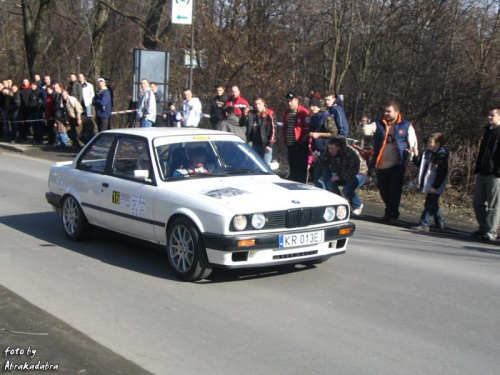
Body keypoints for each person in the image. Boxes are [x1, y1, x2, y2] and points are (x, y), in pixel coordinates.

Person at [362, 101, 418, 225]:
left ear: (397, 112)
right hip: (381, 163)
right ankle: (389, 212)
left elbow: (413, 142)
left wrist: (412, 155)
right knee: (383, 190)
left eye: (389, 111)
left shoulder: (405, 125)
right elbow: (367, 132)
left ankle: (393, 215)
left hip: (397, 163)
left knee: (395, 191)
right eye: (385, 111)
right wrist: (365, 124)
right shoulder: (379, 124)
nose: (386, 113)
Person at [471, 105, 500, 241]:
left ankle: (491, 231)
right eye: (488, 115)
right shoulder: (488, 131)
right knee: (478, 201)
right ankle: (483, 227)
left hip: (495, 174)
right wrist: (477, 168)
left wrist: (497, 171)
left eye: (492, 115)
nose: (489, 117)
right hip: (482, 171)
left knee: (494, 205)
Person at [411, 132, 449, 232]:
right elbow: (420, 164)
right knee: (433, 203)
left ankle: (424, 224)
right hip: (428, 182)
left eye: (431, 142)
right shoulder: (427, 153)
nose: (429, 144)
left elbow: (442, 174)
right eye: (428, 142)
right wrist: (415, 156)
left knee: (429, 204)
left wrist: (435, 186)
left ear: (438, 144)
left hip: (435, 184)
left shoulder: (442, 156)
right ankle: (440, 223)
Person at [321, 137, 367, 215]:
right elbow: (322, 161)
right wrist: (315, 160)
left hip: (359, 174)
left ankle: (358, 205)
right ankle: (340, 204)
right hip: (342, 173)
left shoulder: (350, 153)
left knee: (347, 190)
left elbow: (354, 170)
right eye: (329, 148)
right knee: (330, 183)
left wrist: (340, 177)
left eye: (332, 148)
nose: (330, 151)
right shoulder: (329, 152)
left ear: (339, 147)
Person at [309, 96, 337, 188]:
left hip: (325, 150)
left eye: (314, 106)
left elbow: (333, 133)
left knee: (326, 178)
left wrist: (318, 134)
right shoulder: (313, 117)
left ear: (318, 106)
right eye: (310, 106)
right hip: (316, 151)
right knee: (317, 178)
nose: (312, 108)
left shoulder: (326, 117)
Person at [283, 92, 310, 183]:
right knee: (292, 166)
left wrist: (301, 141)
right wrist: (285, 139)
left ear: (296, 100)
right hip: (290, 143)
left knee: (300, 168)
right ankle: (293, 181)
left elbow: (306, 129)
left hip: (300, 144)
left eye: (291, 101)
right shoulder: (287, 112)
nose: (289, 103)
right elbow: (285, 127)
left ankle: (301, 183)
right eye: (288, 102)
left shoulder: (303, 112)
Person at [245, 96, 276, 165]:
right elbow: (242, 124)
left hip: (266, 145)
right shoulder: (251, 114)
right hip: (255, 144)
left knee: (265, 165)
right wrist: (245, 115)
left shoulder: (270, 113)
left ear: (263, 103)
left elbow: (273, 130)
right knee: (255, 165)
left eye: (259, 104)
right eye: (255, 104)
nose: (257, 106)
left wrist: (270, 144)